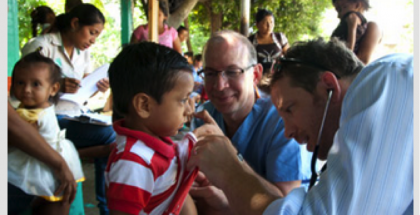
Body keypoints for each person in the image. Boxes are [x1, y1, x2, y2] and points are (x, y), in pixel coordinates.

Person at [187, 37, 413, 214]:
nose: (288, 131)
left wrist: (229, 168)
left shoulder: (387, 77)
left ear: (328, 87)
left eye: (290, 109)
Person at [190, 30, 312, 213]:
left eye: (232, 72)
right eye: (210, 73)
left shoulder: (282, 120)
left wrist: (230, 159)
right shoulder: (203, 117)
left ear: (255, 74)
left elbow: (286, 206)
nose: (219, 85)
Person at [106, 42, 223, 215]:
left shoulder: (156, 146)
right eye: (183, 100)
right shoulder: (133, 163)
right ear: (144, 105)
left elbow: (176, 196)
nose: (190, 110)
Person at [21, 4, 116, 215]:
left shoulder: (83, 54)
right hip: (49, 118)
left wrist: (96, 88)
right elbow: (23, 92)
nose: (93, 40)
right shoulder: (41, 46)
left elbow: (79, 92)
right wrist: (56, 87)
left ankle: (105, 204)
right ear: (74, 24)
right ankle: (106, 208)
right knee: (109, 138)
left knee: (115, 132)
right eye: (92, 32)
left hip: (76, 115)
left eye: (97, 36)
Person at [8, 51, 84, 215]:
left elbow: (17, 138)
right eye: (20, 83)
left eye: (35, 84)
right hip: (54, 161)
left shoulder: (28, 116)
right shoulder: (46, 107)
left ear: (54, 88)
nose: (26, 90)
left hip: (34, 167)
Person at [331, 0, 381, 64]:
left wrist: (352, 29)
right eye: (338, 10)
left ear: (357, 5)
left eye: (343, 7)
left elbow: (359, 63)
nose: (339, 15)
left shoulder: (372, 27)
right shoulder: (342, 30)